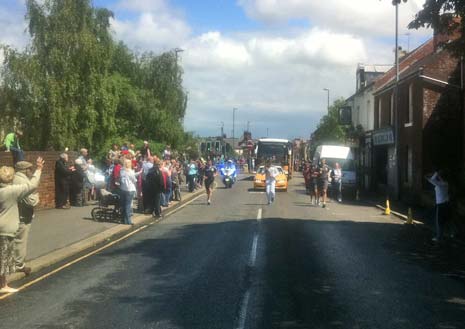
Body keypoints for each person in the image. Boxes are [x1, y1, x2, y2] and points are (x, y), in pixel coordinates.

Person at [0, 157, 43, 293]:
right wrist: (39, 169)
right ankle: (3, 286)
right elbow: (32, 186)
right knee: (4, 258)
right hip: (5, 229)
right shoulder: (11, 191)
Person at [13, 161, 39, 276]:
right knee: (20, 241)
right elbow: (32, 201)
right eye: (30, 169)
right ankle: (19, 265)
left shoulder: (14, 178)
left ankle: (13, 263)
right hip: (22, 216)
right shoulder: (22, 181)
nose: (31, 171)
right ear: (25, 170)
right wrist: (37, 196)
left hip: (14, 215)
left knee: (12, 241)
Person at [426, 170, 450, 242]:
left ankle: (439, 237)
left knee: (439, 222)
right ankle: (451, 233)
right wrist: (438, 175)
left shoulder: (439, 184)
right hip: (446, 203)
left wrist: (436, 173)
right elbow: (435, 180)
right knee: (446, 219)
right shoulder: (445, 183)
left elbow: (430, 179)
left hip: (441, 204)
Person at [120, 159, 140, 225]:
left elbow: (129, 176)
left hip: (123, 189)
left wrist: (138, 172)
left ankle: (123, 219)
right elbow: (134, 179)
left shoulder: (121, 170)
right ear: (129, 164)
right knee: (128, 205)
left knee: (123, 205)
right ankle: (128, 220)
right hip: (130, 189)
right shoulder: (130, 171)